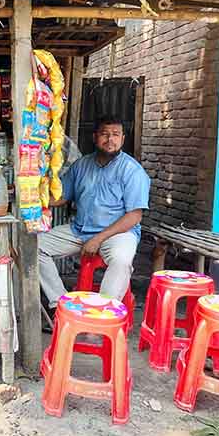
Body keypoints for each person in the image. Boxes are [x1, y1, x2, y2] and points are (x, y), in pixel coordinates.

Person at [39, 115, 151, 307]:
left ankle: (103, 312)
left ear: (123, 139)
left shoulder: (132, 170)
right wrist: (36, 196)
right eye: (104, 134)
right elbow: (62, 197)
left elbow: (134, 216)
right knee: (34, 247)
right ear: (95, 137)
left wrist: (98, 239)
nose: (110, 140)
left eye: (116, 135)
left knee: (121, 261)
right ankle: (60, 304)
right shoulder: (81, 165)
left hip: (118, 233)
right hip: (80, 230)